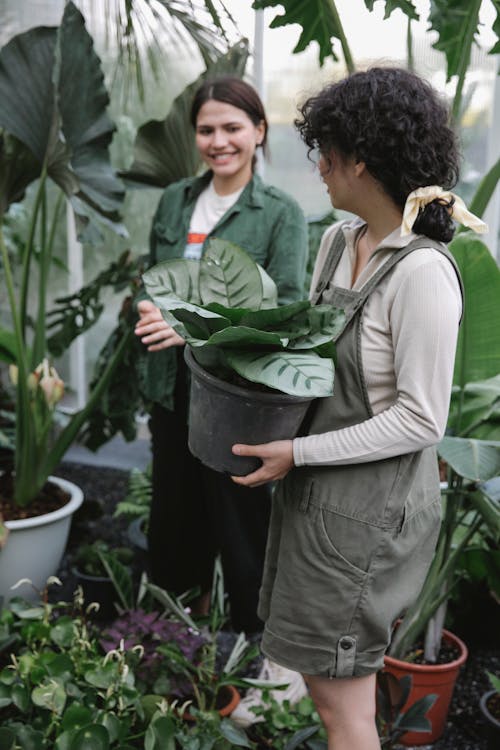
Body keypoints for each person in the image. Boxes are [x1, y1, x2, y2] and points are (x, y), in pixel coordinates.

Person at [230, 67, 487, 748]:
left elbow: (421, 420)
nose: (318, 168)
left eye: (327, 153)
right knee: (324, 687)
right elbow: (314, 360)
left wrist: (299, 452)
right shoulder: (339, 243)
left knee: (341, 702)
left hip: (365, 518)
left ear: (363, 159)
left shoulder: (422, 272)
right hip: (314, 499)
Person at [134, 76, 307, 645]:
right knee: (174, 519)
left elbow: (283, 308)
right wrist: (147, 304)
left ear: (259, 131)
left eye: (232, 127)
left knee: (240, 525)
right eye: (206, 130)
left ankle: (251, 648)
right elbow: (154, 276)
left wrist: (192, 326)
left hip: (235, 396)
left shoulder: (279, 214)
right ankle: (174, 641)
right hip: (171, 388)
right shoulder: (176, 200)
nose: (219, 141)